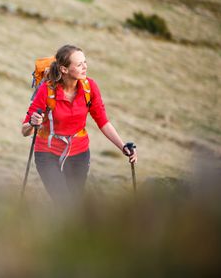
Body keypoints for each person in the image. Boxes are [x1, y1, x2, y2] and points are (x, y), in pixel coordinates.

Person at [21, 44, 137, 204]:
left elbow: (103, 122)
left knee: (75, 204)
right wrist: (33, 124)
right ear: (64, 69)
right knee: (63, 202)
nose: (85, 67)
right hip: (47, 153)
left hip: (79, 153)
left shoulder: (90, 88)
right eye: (79, 64)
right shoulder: (47, 91)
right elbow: (25, 130)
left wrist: (123, 147)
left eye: (85, 62)